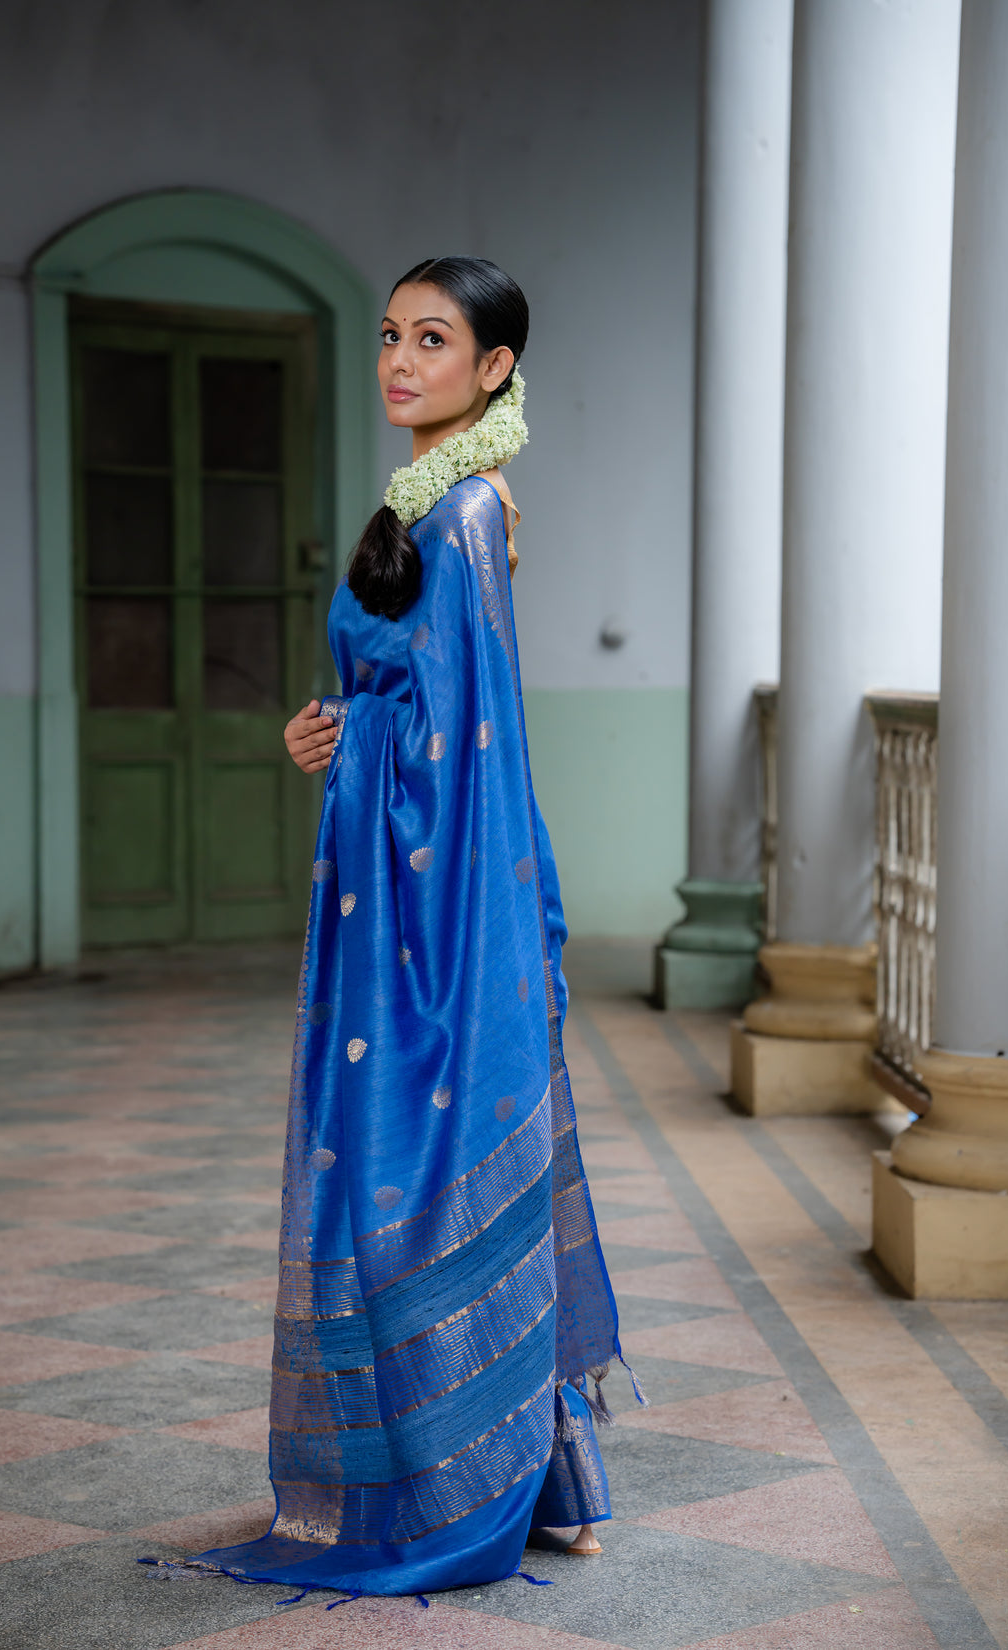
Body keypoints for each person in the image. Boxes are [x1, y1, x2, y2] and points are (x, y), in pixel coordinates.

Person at [182, 257, 637, 1602]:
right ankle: (515, 1480)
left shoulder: (473, 511)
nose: (399, 359)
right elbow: (396, 698)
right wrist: (323, 731)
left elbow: (464, 736)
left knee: (424, 1184)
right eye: (390, 334)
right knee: (394, 1183)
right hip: (380, 893)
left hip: (440, 907)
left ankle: (487, 1487)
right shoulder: (413, 499)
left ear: (494, 367)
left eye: (433, 339)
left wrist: (370, 728)